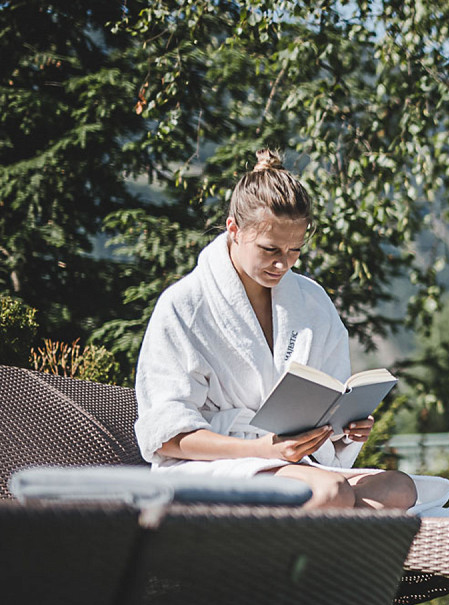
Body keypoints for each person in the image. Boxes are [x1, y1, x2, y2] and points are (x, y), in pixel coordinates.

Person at [133, 149, 417, 510]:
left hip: (290, 462)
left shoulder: (311, 301)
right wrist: (259, 449)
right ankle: (284, 563)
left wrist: (346, 430)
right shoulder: (185, 305)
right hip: (210, 466)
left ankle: (321, 553)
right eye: (270, 249)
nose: (283, 263)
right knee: (329, 493)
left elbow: (328, 404)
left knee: (398, 488)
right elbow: (165, 437)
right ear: (233, 229)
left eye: (295, 250)